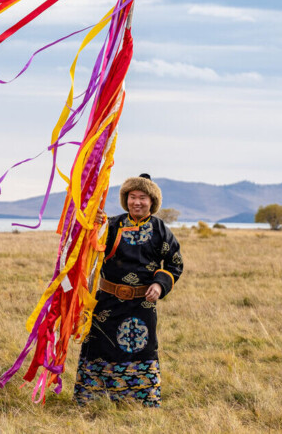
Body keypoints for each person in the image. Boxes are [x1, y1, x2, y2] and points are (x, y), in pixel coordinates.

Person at [73, 173, 183, 408]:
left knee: (142, 349)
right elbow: (91, 245)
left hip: (142, 305)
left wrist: (159, 284)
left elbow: (175, 263)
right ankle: (92, 399)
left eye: (142, 197)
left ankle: (142, 399)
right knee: (100, 347)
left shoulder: (161, 229)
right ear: (126, 199)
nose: (137, 202)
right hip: (107, 302)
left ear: (151, 201)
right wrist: (95, 223)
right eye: (132, 197)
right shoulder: (111, 224)